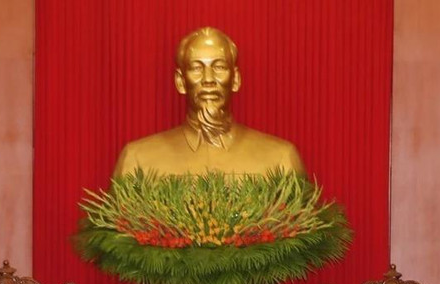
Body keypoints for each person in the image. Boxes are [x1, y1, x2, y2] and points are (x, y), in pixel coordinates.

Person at [113, 26, 306, 177]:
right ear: (180, 82)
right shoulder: (137, 160)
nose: (208, 79)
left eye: (219, 67)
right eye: (196, 68)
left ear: (236, 79)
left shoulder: (281, 159)